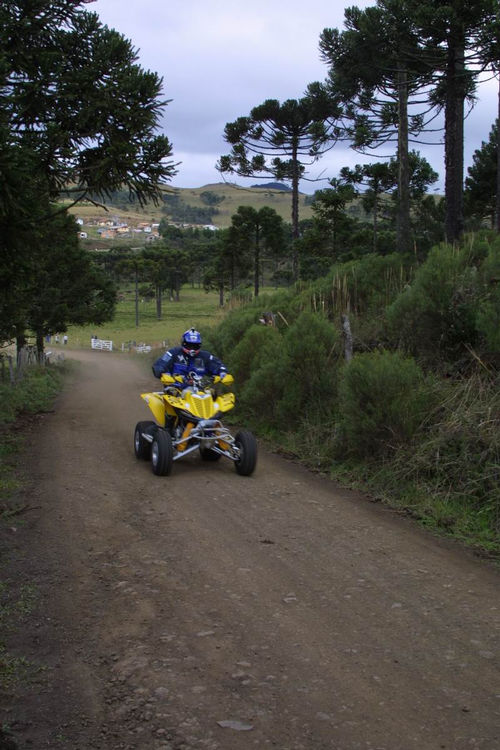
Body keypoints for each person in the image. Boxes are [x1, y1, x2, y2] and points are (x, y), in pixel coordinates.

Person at [152, 328, 228, 384]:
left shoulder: (205, 356)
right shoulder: (173, 353)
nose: (192, 349)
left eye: (195, 346)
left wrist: (223, 372)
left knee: (215, 397)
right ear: (184, 343)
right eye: (189, 345)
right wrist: (164, 374)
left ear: (199, 345)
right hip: (176, 390)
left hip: (201, 390)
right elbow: (159, 364)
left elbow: (218, 365)